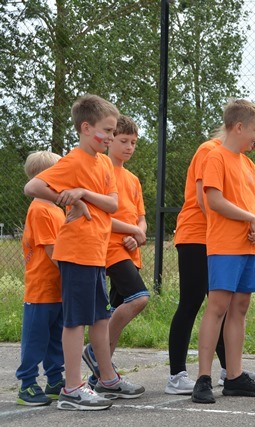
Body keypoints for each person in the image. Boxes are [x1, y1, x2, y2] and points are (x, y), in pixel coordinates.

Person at [24, 94, 144, 411]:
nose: (111, 137)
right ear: (86, 128)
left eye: (114, 131)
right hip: (76, 252)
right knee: (75, 322)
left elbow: (112, 204)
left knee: (101, 318)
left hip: (96, 252)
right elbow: (32, 187)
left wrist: (83, 194)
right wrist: (71, 200)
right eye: (107, 131)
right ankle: (72, 388)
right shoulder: (73, 161)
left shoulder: (103, 162)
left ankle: (107, 379)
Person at [166, 121, 255, 395]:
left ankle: (230, 371)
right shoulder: (209, 151)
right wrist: (238, 223)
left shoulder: (244, 162)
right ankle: (178, 374)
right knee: (193, 302)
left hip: (230, 237)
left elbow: (253, 201)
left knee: (228, 305)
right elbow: (206, 201)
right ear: (239, 128)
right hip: (198, 235)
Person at [191, 99, 255, 403]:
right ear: (238, 127)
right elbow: (213, 200)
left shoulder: (248, 164)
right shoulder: (215, 157)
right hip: (225, 245)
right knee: (218, 307)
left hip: (249, 247)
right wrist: (249, 217)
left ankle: (235, 377)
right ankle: (203, 378)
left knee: (240, 308)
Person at [82, 116, 150, 390]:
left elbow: (141, 218)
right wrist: (131, 231)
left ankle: (101, 378)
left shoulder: (132, 179)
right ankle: (94, 352)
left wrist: (138, 234)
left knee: (115, 319)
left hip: (130, 251)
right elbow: (100, 217)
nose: (129, 147)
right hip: (109, 249)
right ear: (110, 140)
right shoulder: (101, 170)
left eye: (133, 142)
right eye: (123, 141)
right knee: (139, 298)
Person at [15, 151, 65, 406]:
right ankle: (27, 384)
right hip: (41, 289)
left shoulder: (56, 210)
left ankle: (55, 380)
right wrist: (72, 273)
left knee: (56, 338)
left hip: (57, 288)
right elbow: (52, 250)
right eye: (59, 175)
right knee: (35, 339)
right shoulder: (40, 210)